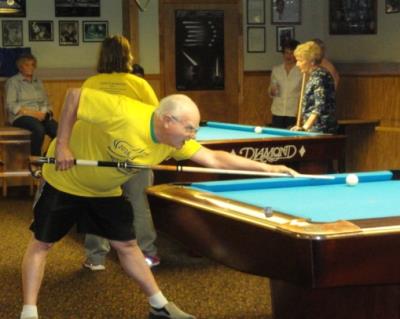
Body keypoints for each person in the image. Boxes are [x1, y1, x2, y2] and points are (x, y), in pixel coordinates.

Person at [19, 88, 297, 319]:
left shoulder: (173, 141)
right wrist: (64, 144)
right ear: (167, 120)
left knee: (127, 245)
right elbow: (74, 96)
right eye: (188, 128)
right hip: (65, 180)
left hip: (105, 190)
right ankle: (29, 311)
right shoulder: (125, 112)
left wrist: (268, 168)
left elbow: (214, 158)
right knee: (42, 244)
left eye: (195, 129)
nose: (192, 135)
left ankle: (158, 304)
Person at [81, 35, 161, 270]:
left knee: (98, 202)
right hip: (136, 153)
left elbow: (82, 120)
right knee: (138, 203)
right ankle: (148, 253)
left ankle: (96, 257)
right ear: (128, 56)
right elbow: (154, 120)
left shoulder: (91, 84)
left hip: (100, 155)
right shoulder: (140, 84)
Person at [5, 53, 58, 156]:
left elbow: (46, 102)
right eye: (27, 65)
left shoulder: (38, 81)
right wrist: (34, 114)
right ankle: (34, 159)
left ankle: (47, 157)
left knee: (58, 130)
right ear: (20, 68)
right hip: (21, 116)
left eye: (33, 65)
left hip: (40, 115)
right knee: (39, 129)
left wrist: (46, 113)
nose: (30, 67)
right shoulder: (13, 82)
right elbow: (11, 105)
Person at [291, 41, 337, 134]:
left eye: (300, 60)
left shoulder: (319, 76)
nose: (297, 64)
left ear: (311, 61)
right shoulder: (313, 75)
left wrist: (305, 127)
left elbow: (319, 106)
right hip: (315, 128)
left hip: (321, 129)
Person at [268, 39, 302, 129]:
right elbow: (271, 92)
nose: (289, 56)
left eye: (291, 53)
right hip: (277, 111)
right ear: (283, 54)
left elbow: (304, 93)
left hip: (294, 112)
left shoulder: (302, 71)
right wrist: (272, 91)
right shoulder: (276, 70)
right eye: (286, 53)